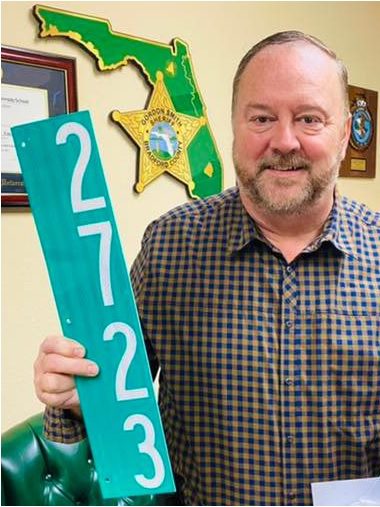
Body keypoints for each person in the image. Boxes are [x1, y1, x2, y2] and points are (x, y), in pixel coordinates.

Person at [34, 31, 380, 506]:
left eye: (309, 119)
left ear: (344, 136)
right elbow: (110, 406)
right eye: (261, 118)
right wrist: (76, 394)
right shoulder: (169, 246)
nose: (283, 140)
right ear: (234, 128)